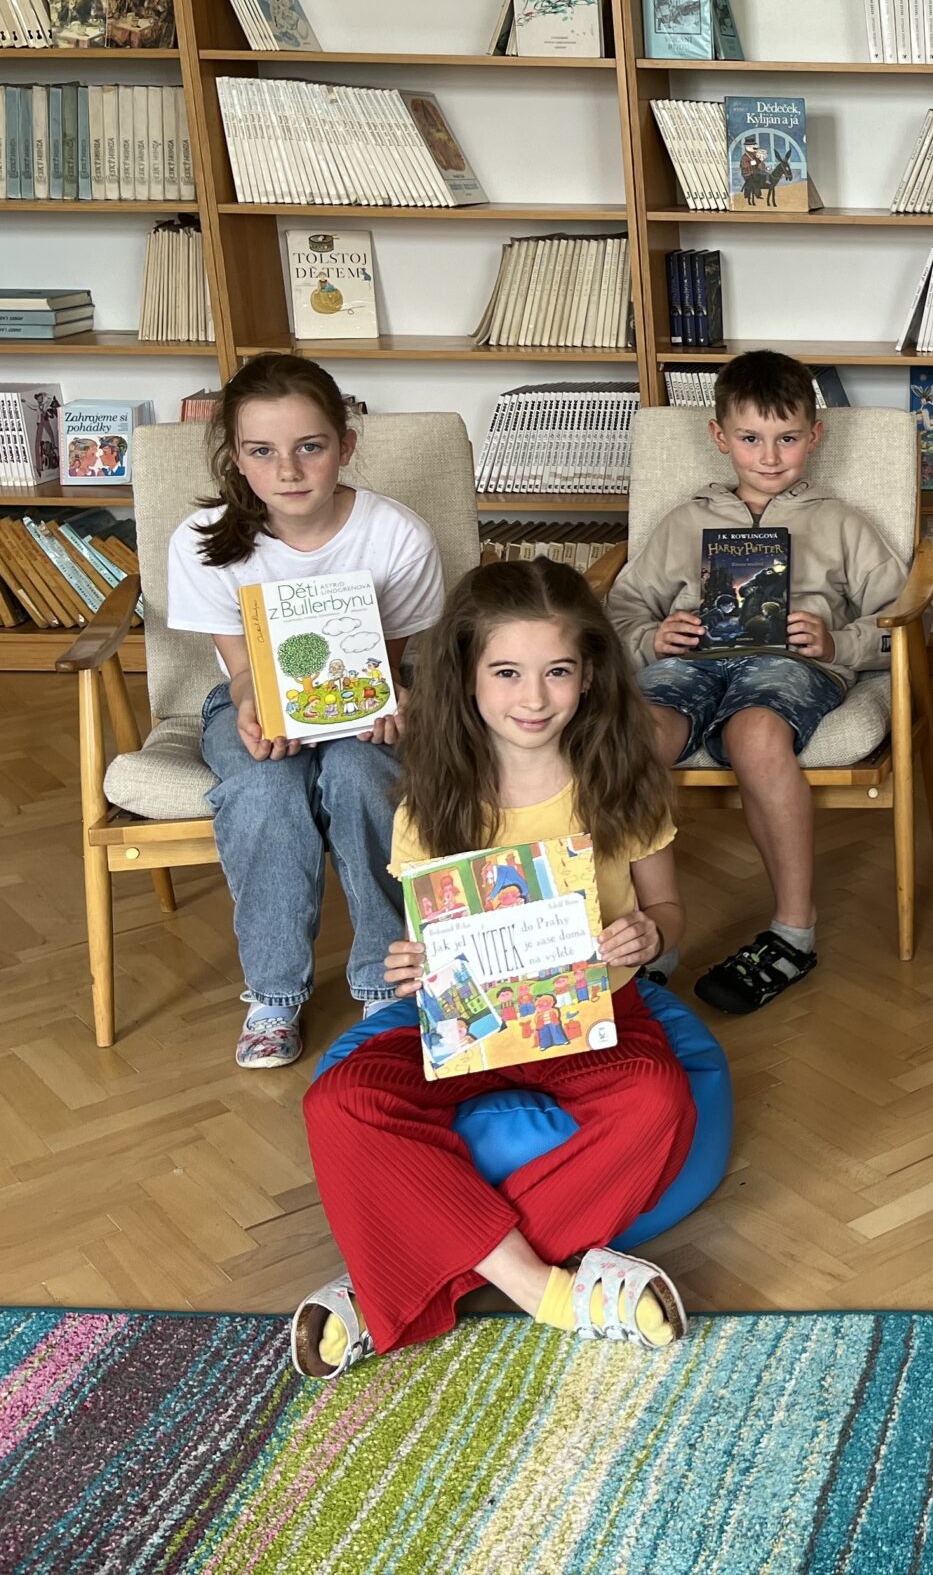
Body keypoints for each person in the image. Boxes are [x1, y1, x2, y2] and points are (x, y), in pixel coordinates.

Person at [291, 559, 695, 1377]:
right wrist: (410, 963)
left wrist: (649, 936)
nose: (534, 698)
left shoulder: (623, 783)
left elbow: (669, 911)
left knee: (659, 1104)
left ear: (590, 676)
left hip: (596, 1016)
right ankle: (544, 1287)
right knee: (338, 1100)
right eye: (507, 672)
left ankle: (397, 1282)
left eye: (558, 672)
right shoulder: (433, 800)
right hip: (469, 1026)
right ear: (468, 677)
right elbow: (431, 945)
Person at [163, 353, 447, 1070]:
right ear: (236, 456)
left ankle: (386, 983)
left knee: (361, 774)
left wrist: (390, 704)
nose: (288, 470)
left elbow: (386, 665)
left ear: (345, 445)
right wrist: (253, 704)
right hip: (252, 696)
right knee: (265, 787)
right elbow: (241, 673)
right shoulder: (202, 540)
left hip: (364, 696)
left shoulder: (397, 534)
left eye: (309, 447)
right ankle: (273, 994)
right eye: (262, 451)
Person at [604, 350, 908, 1014]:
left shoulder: (841, 522)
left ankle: (793, 931)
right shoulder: (686, 521)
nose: (769, 457)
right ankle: (651, 932)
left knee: (756, 735)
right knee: (632, 739)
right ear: (719, 437)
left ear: (814, 435)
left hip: (792, 665)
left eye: (787, 439)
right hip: (689, 663)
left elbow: (905, 619)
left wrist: (839, 641)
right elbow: (624, 608)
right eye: (750, 439)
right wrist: (651, 638)